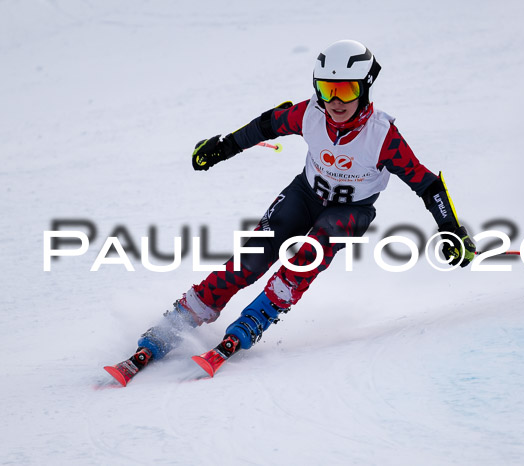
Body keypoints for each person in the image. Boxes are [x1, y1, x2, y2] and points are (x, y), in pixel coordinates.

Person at [105, 39, 476, 384]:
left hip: (350, 211)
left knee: (307, 252)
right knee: (248, 261)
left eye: (346, 89)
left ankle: (252, 321)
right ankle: (173, 325)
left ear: (365, 87)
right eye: (327, 89)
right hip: (304, 195)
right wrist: (222, 148)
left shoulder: (382, 137)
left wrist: (451, 229)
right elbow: (267, 125)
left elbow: (427, 184)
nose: (335, 100)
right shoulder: (309, 114)